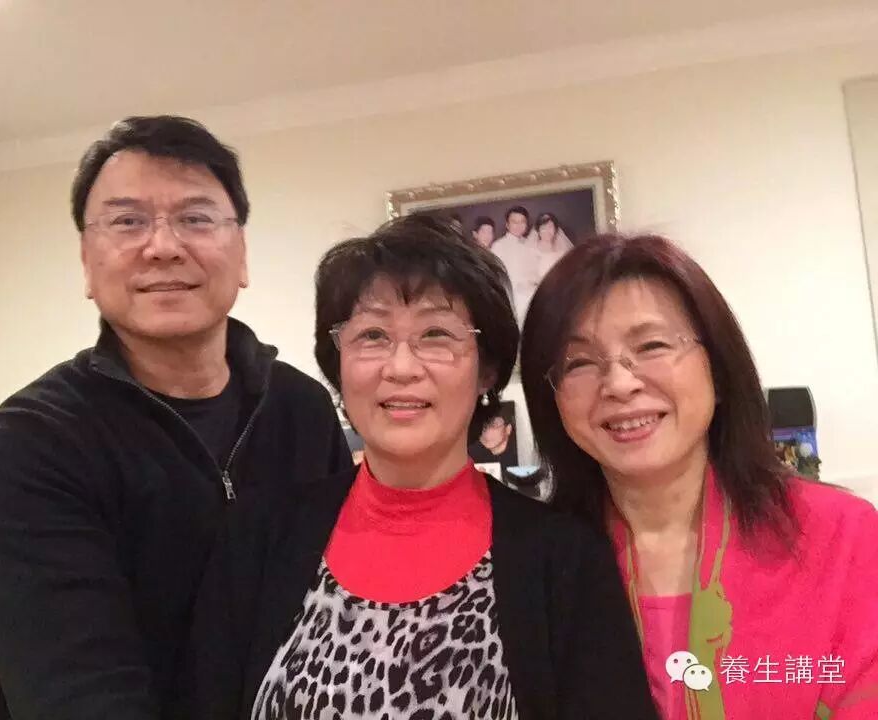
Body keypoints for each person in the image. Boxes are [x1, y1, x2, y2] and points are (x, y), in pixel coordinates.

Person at [0, 116, 352, 720]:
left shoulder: (301, 406)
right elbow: (78, 698)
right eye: (127, 222)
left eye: (196, 218)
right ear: (87, 262)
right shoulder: (34, 439)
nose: (164, 246)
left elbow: (341, 617)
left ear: (242, 255)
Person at [242, 216, 658, 719]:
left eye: (436, 334)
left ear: (487, 370)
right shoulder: (256, 540)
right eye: (372, 335)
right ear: (338, 363)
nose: (400, 367)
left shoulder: (563, 559)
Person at [520, 233, 878, 719]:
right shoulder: (538, 565)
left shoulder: (840, 535)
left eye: (651, 345)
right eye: (579, 362)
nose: (619, 383)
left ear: (718, 367)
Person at [491, 205, 538, 323]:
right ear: (507, 225)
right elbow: (496, 275)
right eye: (514, 222)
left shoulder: (530, 244)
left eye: (522, 222)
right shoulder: (499, 246)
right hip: (510, 298)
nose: (518, 225)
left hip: (530, 295)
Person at [534, 212, 575, 280]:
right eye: (543, 228)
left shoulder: (563, 249)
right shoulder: (533, 250)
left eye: (550, 227)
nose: (547, 231)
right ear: (538, 230)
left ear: (555, 229)